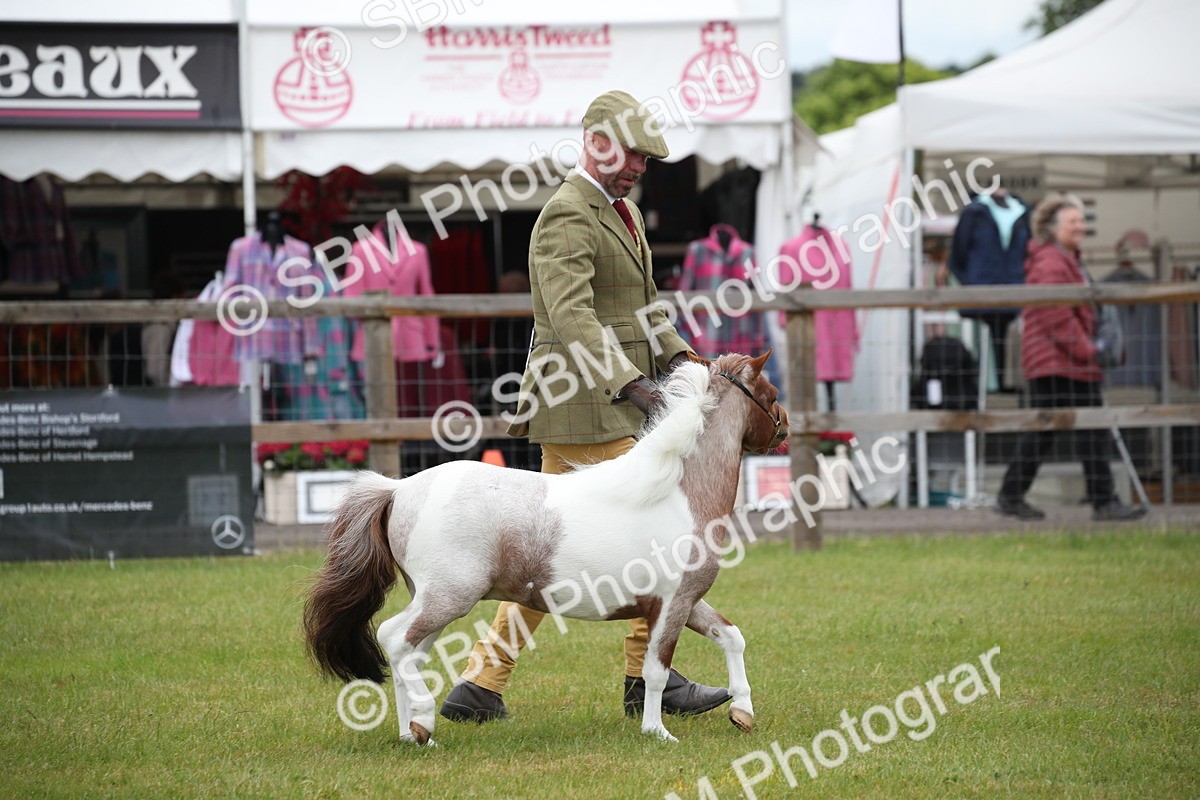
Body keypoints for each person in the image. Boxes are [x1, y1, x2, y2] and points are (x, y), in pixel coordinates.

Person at [439, 90, 732, 724]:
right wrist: (633, 385)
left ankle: (481, 685)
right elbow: (573, 316)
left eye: (648, 158)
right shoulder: (567, 214)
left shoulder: (622, 212)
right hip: (585, 403)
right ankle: (646, 680)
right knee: (663, 534)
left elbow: (643, 311)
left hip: (601, 404)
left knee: (544, 552)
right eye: (634, 154)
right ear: (596, 142)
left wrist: (687, 361)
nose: (641, 167)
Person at [995, 193, 1146, 522]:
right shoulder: (1053, 261)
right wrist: (1088, 351)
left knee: (1054, 430)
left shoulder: (1066, 258)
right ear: (1053, 228)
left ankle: (1013, 495)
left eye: (1082, 220)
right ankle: (1101, 501)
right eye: (1073, 221)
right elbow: (1056, 315)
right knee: (1078, 430)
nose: (1080, 227)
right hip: (1059, 361)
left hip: (1060, 360)